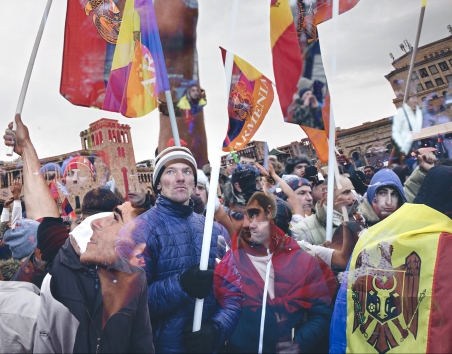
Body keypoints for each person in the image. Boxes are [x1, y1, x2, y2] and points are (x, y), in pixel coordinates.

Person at [4, 114, 154, 353]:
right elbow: (45, 216)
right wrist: (26, 149)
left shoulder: (136, 283)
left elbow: (142, 345)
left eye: (115, 218)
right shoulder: (67, 258)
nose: (96, 224)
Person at [130, 146, 243, 353]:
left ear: (194, 181)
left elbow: (233, 294)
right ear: (158, 184)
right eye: (171, 171)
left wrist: (215, 330)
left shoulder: (215, 231)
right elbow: (130, 302)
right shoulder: (139, 231)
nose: (180, 178)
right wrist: (180, 285)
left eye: (187, 171)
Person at [224, 192, 334, 353]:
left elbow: (321, 314)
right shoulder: (233, 258)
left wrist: (298, 343)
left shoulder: (304, 263)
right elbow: (220, 304)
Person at [291, 175, 356, 245]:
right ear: (327, 195)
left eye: (353, 191)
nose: (353, 198)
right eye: (346, 192)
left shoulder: (362, 220)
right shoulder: (301, 231)